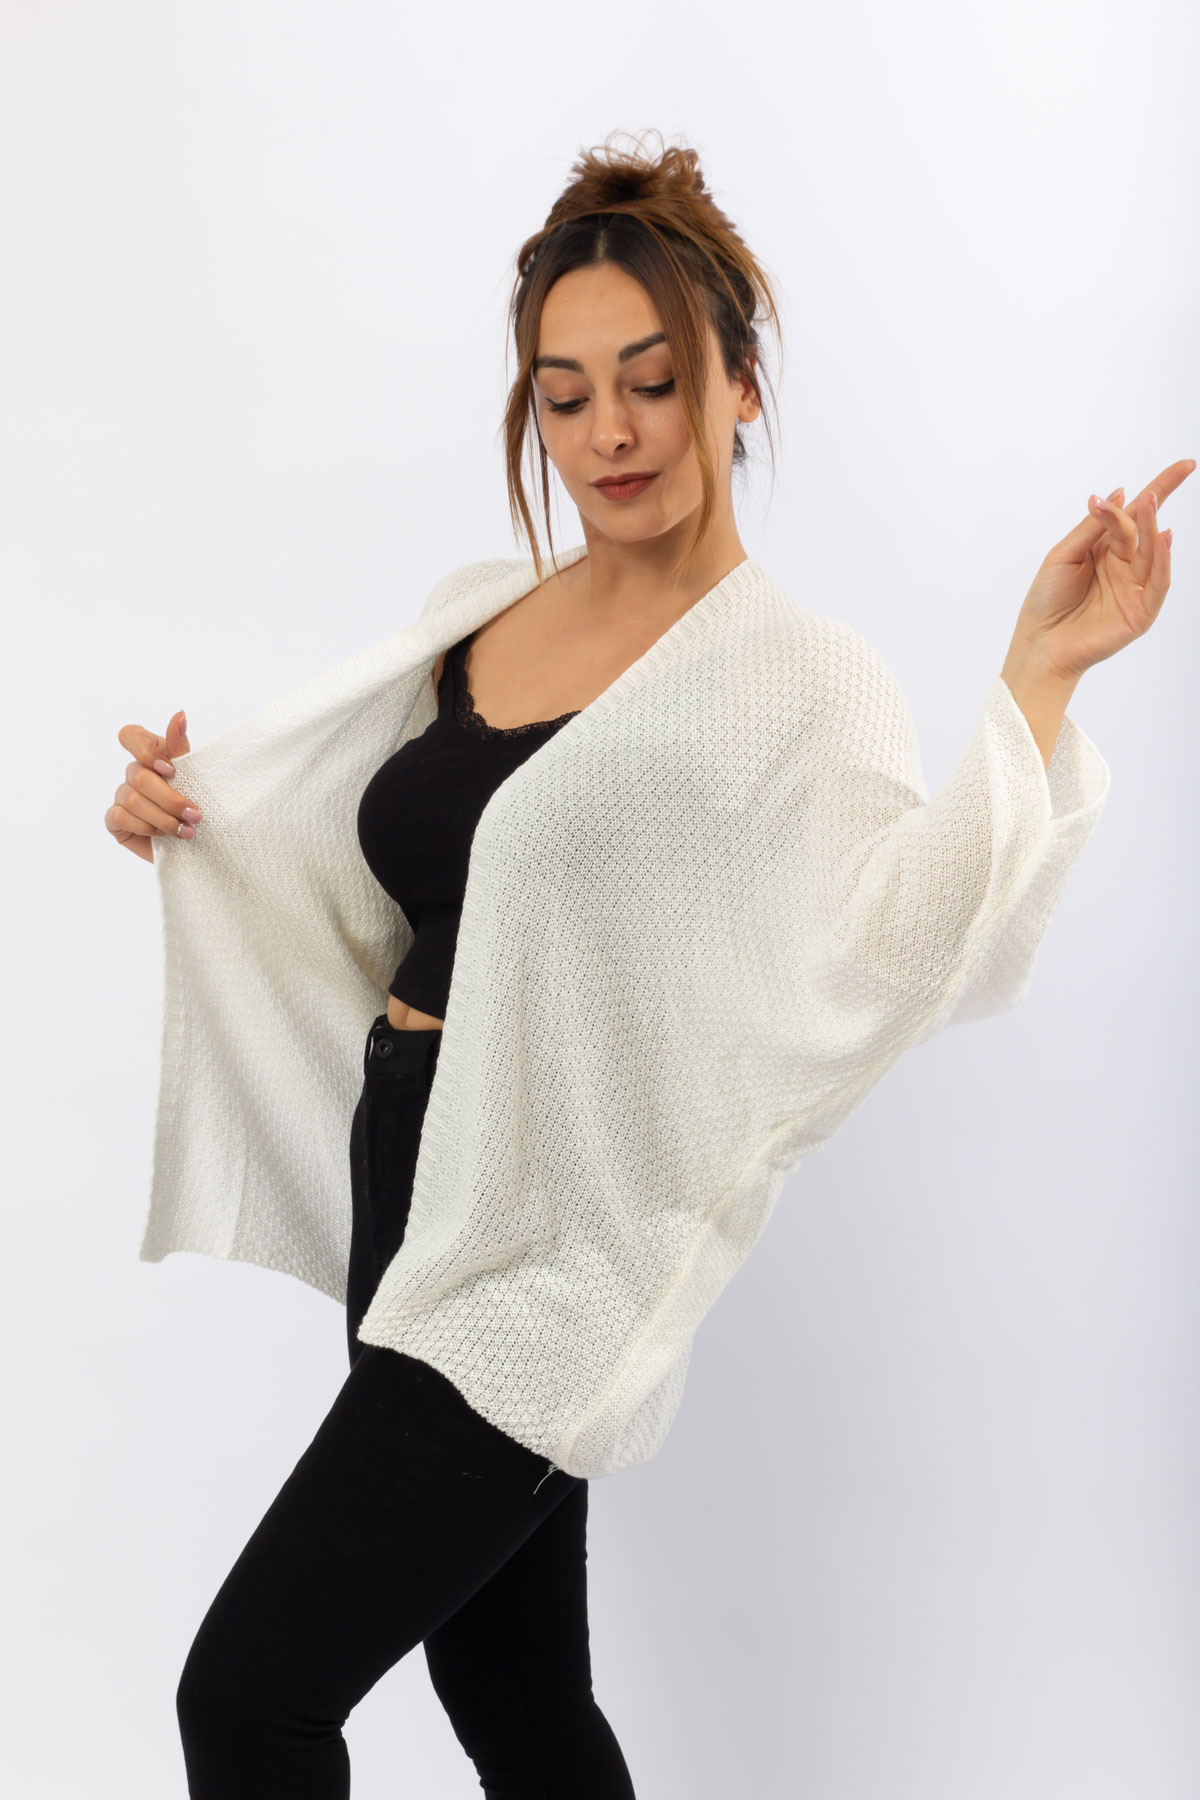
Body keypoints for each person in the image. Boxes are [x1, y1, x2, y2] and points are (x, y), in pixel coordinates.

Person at [104, 130, 1191, 1798]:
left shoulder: (793, 679)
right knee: (517, 1703)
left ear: (739, 385)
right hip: (415, 1180)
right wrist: (196, 815)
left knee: (250, 1701)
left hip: (559, 1244)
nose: (607, 432)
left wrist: (1037, 680)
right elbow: (395, 867)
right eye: (564, 396)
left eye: (653, 383)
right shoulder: (484, 614)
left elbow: (897, 942)